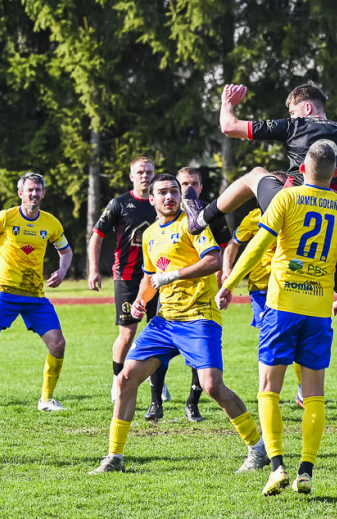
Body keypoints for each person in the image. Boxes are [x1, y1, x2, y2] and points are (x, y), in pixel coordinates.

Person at [183, 81, 337, 428]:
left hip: (296, 207)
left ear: (304, 108)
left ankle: (201, 218)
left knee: (257, 175)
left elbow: (229, 127)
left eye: (291, 110)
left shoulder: (297, 125)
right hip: (335, 221)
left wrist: (226, 103)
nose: (289, 115)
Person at [90, 173, 268, 475]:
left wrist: (171, 276)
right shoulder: (149, 236)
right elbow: (150, 277)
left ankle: (258, 449)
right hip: (165, 321)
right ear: (152, 198)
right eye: (162, 192)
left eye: (174, 191)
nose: (169, 197)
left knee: (212, 386)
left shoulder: (192, 223)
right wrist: (142, 300)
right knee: (125, 379)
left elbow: (213, 260)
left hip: (199, 317)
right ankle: (114, 457)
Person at [218, 141, 337, 496]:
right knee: (314, 395)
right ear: (336, 173)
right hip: (317, 312)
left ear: (302, 171)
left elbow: (258, 246)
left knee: (269, 389)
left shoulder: (286, 198)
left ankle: (278, 466)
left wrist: (230, 283)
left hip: (281, 307)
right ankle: (307, 470)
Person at [0, 172, 73, 413]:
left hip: (35, 296)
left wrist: (62, 271)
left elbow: (66, 252)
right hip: (5, 293)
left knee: (58, 344)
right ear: (20, 193)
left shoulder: (50, 223)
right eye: (30, 190)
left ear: (43, 193)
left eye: (38, 190)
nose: (34, 194)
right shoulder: (5, 217)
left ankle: (46, 399)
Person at [87, 156, 166, 408]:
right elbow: (96, 236)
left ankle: (157, 381)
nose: (145, 176)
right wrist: (93, 270)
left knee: (159, 330)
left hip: (157, 277)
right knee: (128, 332)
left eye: (149, 171)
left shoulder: (162, 203)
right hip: (126, 276)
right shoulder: (120, 203)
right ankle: (116, 378)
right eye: (140, 172)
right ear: (132, 176)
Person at [221, 171, 304, 407]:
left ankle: (299, 389)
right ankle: (268, 392)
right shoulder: (254, 217)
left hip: (290, 285)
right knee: (270, 338)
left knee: (295, 338)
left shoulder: (296, 216)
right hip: (260, 289)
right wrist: (228, 269)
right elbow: (233, 244)